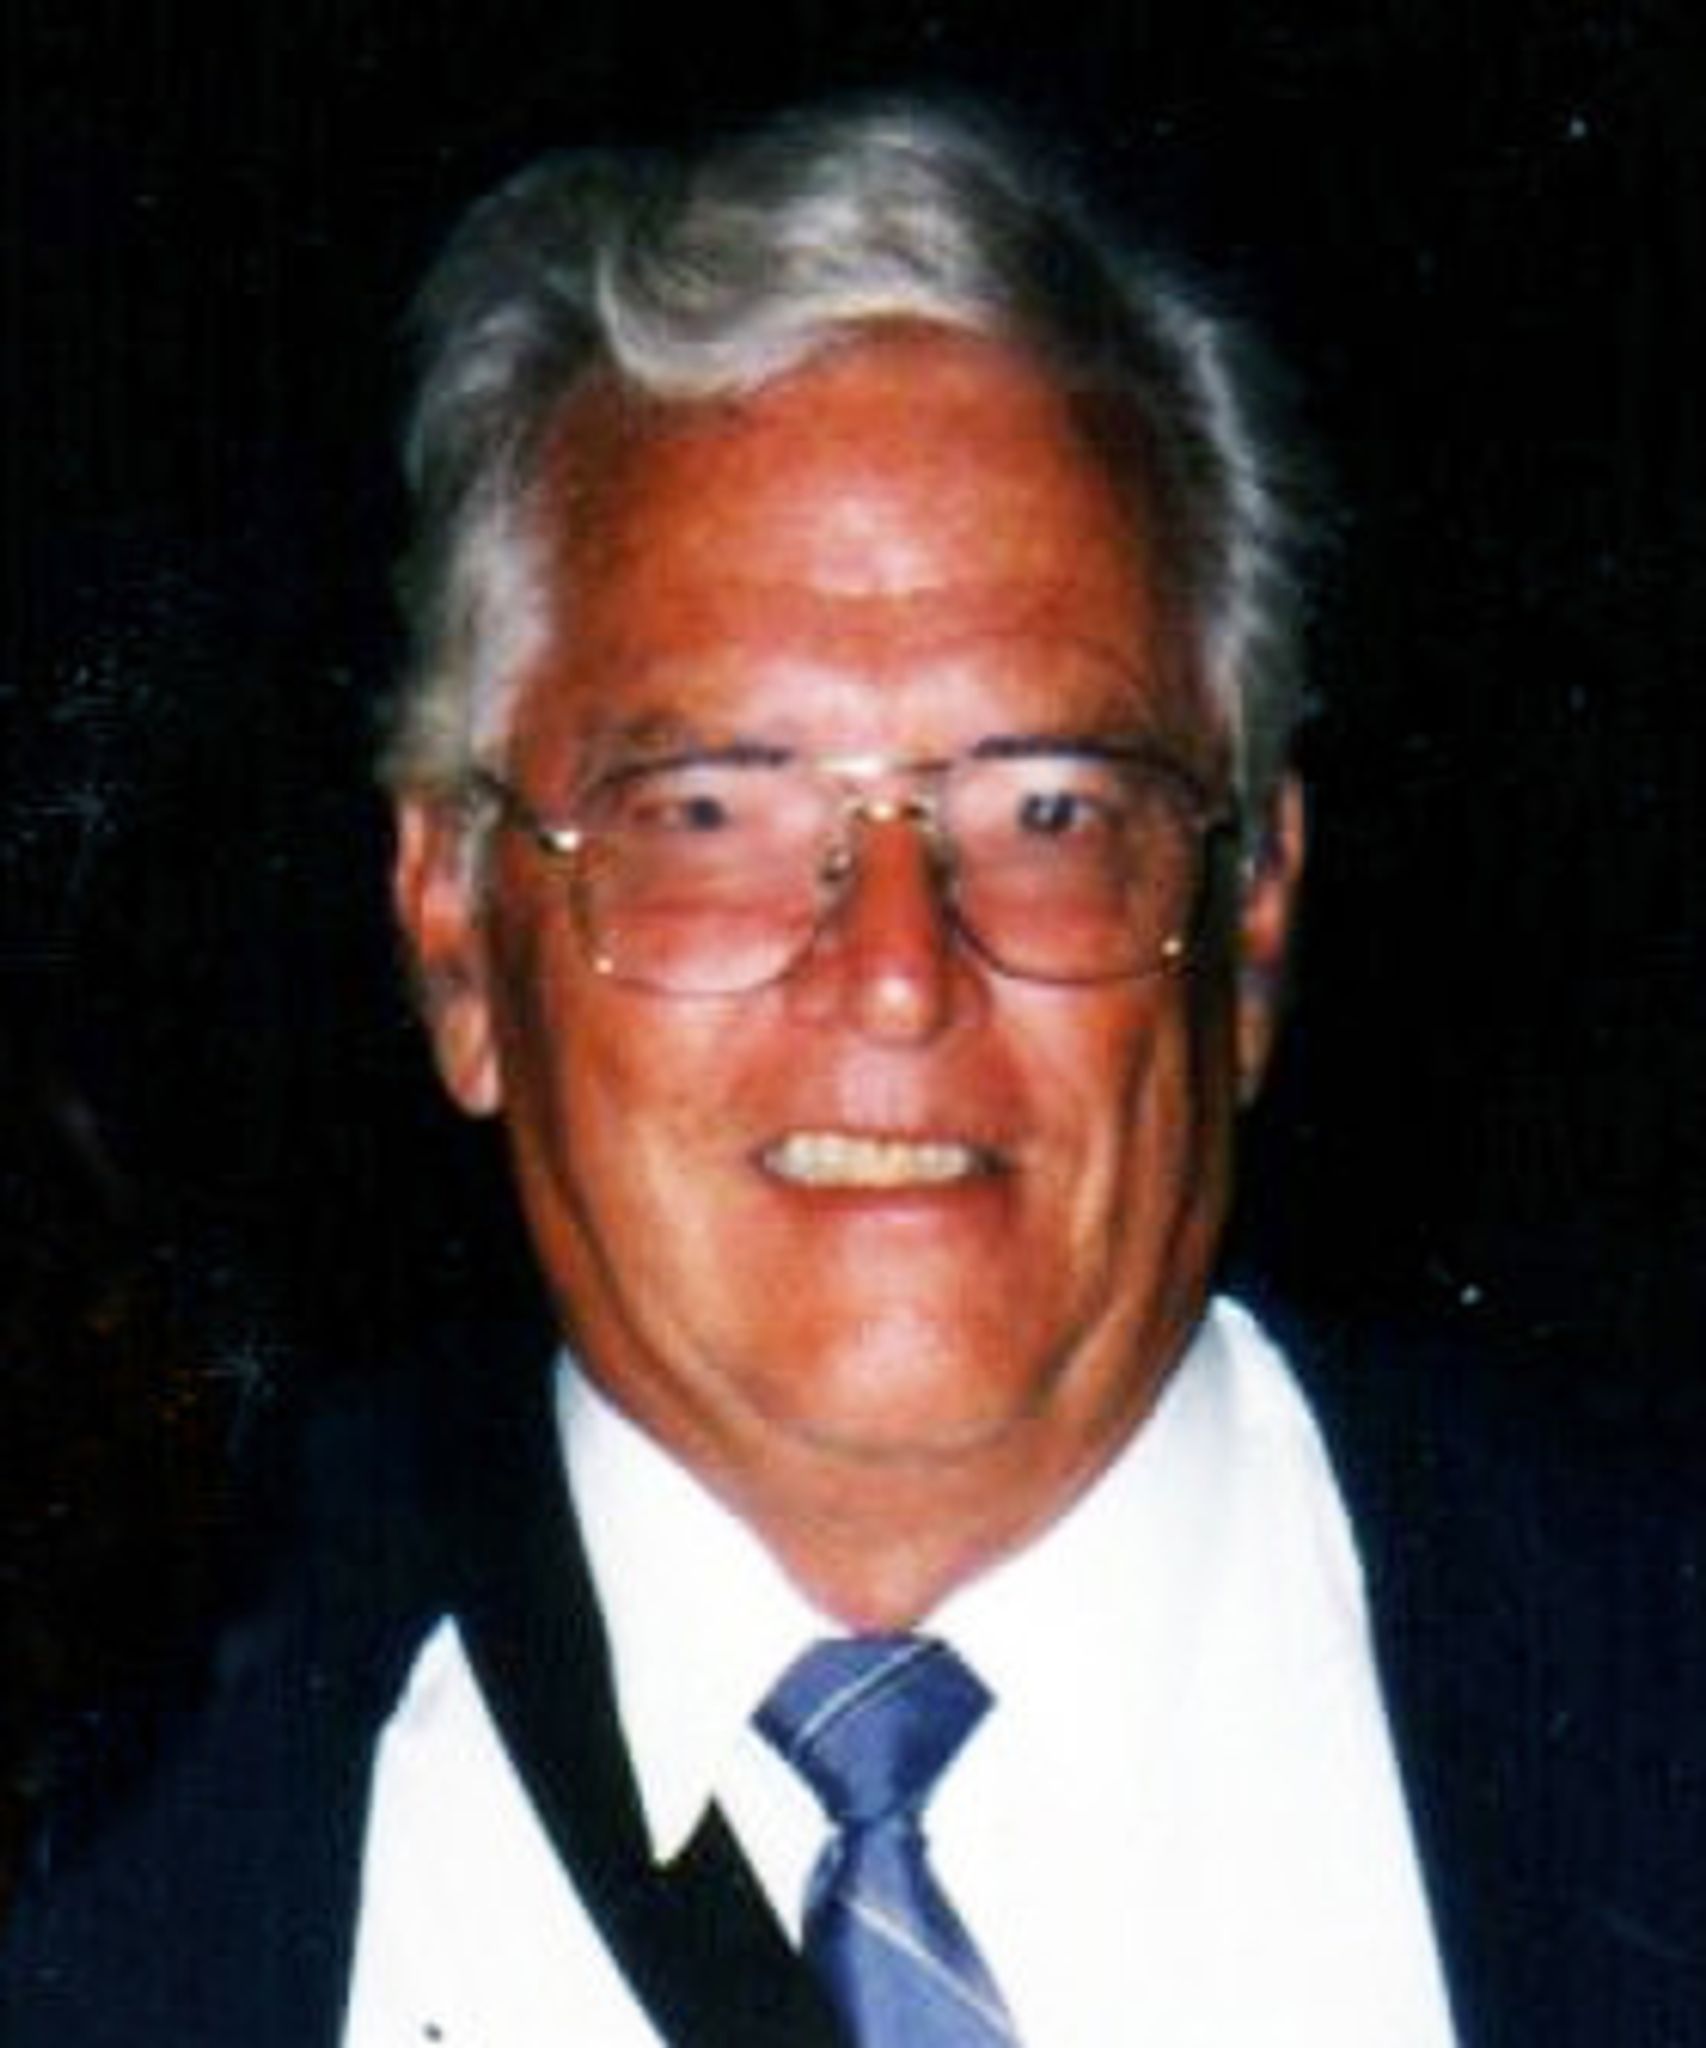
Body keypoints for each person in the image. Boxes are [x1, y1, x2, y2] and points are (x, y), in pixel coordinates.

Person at [2, 94, 1699, 2048]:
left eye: (1049, 807)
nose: (895, 974)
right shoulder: (105, 1867)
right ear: (456, 931)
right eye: (707, 810)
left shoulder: (1649, 1693)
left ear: (1249, 921)